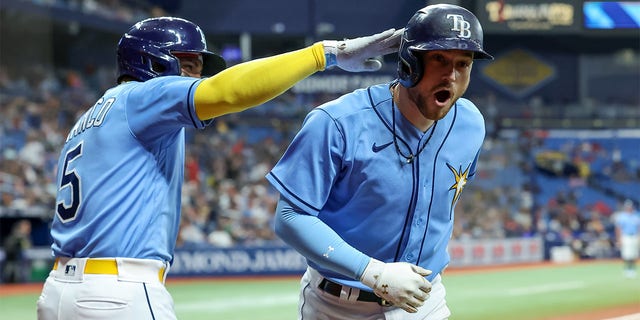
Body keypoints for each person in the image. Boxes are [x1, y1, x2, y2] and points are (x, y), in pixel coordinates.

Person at [36, 16, 402, 319]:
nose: (197, 78)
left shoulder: (89, 118)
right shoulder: (141, 96)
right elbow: (227, 93)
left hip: (59, 292)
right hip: (115, 294)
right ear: (153, 62)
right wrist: (325, 54)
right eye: (190, 65)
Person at [266, 4, 493, 319]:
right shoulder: (337, 122)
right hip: (338, 306)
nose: (451, 76)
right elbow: (290, 217)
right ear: (409, 62)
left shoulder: (470, 124)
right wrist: (373, 272)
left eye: (463, 63)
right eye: (439, 59)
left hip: (423, 302)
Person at [613, 199, 640, 278]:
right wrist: (619, 239)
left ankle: (632, 269)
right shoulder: (622, 216)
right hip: (626, 236)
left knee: (634, 253)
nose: (629, 208)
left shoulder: (636, 215)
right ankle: (627, 269)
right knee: (626, 254)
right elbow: (618, 228)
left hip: (634, 236)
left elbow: (639, 227)